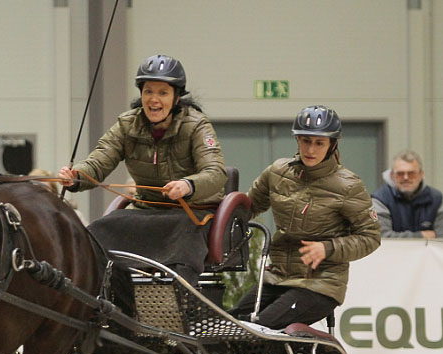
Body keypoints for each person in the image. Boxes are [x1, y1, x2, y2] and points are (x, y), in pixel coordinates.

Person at [59, 54, 227, 284]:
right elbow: (99, 160)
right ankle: (112, 302)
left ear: (177, 98)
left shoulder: (196, 125)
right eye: (148, 91)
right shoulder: (127, 124)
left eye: (162, 93)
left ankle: (182, 306)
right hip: (146, 209)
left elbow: (216, 172)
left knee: (184, 238)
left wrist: (188, 185)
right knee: (98, 232)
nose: (153, 99)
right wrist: (76, 176)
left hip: (192, 211)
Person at [230, 105, 381, 330]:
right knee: (231, 322)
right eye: (305, 140)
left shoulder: (348, 185)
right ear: (297, 140)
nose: (311, 149)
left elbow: (371, 237)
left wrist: (327, 248)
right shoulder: (277, 172)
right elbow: (246, 208)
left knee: (261, 328)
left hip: (322, 284)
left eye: (319, 143)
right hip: (278, 277)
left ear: (332, 144)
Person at [371, 150, 442, 239]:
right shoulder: (380, 200)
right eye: (400, 174)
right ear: (392, 175)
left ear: (421, 175)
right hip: (392, 252)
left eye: (411, 173)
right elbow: (382, 237)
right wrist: (421, 236)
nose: (406, 178)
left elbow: (441, 238)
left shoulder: (437, 199)